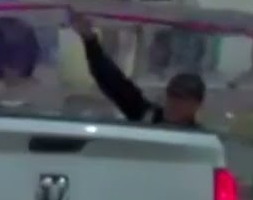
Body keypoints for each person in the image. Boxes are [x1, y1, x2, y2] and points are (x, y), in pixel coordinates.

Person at [69, 10, 204, 128]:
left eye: (181, 98)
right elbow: (113, 82)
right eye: (172, 95)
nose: (174, 103)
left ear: (195, 105)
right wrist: (90, 39)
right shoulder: (147, 117)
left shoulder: (200, 139)